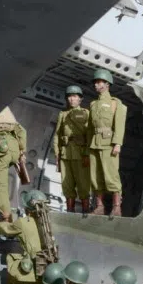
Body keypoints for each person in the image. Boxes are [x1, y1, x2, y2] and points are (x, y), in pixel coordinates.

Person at [88, 68, 127, 216]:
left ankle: (116, 207)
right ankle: (99, 206)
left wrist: (118, 143)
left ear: (107, 84)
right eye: (96, 82)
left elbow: (120, 125)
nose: (96, 85)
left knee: (111, 175)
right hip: (94, 143)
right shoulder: (93, 104)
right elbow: (91, 128)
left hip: (108, 143)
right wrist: (88, 146)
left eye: (99, 82)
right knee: (95, 176)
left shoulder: (115, 103)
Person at [0, 106, 28, 221]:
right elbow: (22, 131)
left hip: (1, 148)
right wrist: (22, 151)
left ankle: (6, 219)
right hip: (14, 149)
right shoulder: (4, 110)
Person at [52, 85, 92, 213]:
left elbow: (89, 136)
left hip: (81, 154)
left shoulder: (86, 114)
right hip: (65, 154)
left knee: (83, 184)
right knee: (67, 184)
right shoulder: (62, 114)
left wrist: (86, 154)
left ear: (80, 99)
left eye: (74, 96)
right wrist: (57, 154)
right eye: (69, 96)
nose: (71, 99)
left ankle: (86, 210)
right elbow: (57, 135)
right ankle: (70, 210)